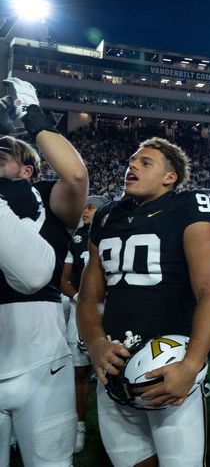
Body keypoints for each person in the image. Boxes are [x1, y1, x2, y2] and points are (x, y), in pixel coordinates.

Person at [77, 137, 210, 467]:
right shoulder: (105, 216)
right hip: (114, 367)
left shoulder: (187, 207)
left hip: (168, 366)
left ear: (169, 177)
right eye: (131, 161)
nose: (132, 166)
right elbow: (88, 297)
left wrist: (192, 364)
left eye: (146, 163)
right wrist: (96, 344)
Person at [0, 76, 89, 467]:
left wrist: (31, 115)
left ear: (29, 171)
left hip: (41, 357)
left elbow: (76, 176)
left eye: (3, 154)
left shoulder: (50, 198)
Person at [60, 194, 109, 453]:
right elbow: (64, 280)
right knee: (79, 372)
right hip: (81, 312)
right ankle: (79, 424)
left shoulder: (113, 235)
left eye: (90, 207)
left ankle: (109, 426)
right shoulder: (77, 238)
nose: (85, 211)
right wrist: (81, 299)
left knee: (108, 374)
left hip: (110, 313)